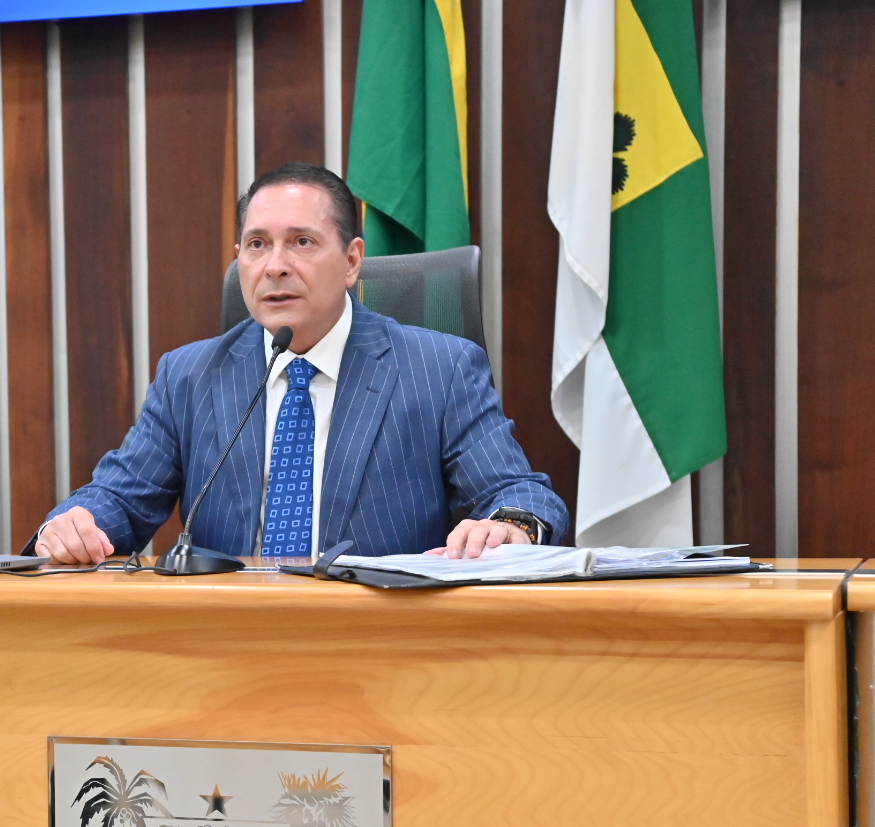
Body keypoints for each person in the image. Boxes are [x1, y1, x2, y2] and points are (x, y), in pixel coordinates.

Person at [32, 162, 569, 565]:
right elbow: (119, 498)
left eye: (302, 242)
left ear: (352, 261)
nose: (275, 266)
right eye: (257, 245)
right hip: (225, 641)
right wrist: (75, 525)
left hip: (383, 643)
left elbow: (520, 495)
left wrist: (509, 527)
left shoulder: (440, 368)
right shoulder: (190, 375)